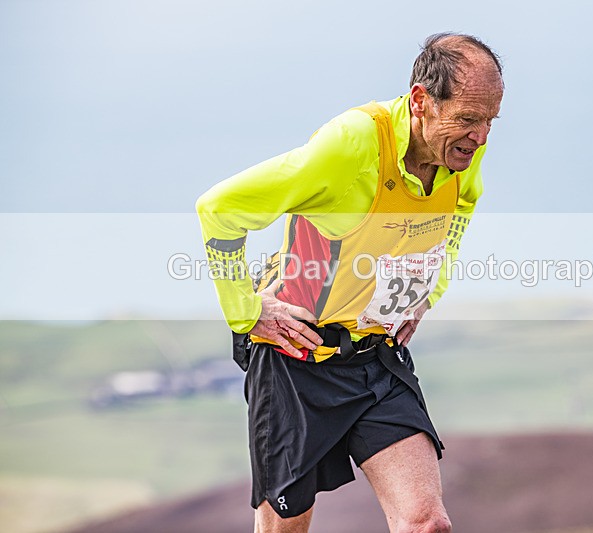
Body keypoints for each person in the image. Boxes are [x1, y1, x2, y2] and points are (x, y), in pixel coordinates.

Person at [196, 32, 504, 533]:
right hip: (297, 360)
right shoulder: (352, 145)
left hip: (376, 360)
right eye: (468, 119)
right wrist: (247, 311)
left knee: (426, 523)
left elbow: (462, 206)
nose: (482, 136)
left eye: (491, 120)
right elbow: (220, 208)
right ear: (422, 101)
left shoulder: (460, 152)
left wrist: (430, 288)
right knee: (286, 527)